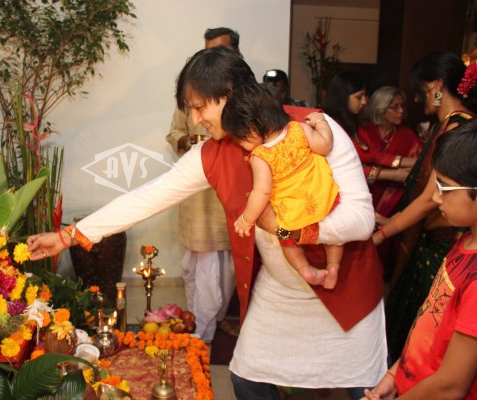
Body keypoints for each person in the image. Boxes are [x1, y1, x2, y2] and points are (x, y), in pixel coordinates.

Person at [27, 46, 386, 400]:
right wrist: (69, 236)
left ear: (229, 95)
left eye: (199, 107)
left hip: (343, 286)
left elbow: (360, 220)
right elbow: (148, 196)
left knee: (364, 390)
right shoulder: (211, 154)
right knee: (247, 379)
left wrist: (286, 229)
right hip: (280, 289)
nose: (196, 119)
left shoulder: (312, 127)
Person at [362, 120, 477, 400]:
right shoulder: (465, 241)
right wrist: (395, 374)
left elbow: (451, 385)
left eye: (444, 188)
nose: (436, 198)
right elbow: (429, 323)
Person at [374, 52, 477, 360]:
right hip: (433, 240)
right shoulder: (444, 124)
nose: (418, 100)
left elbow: (430, 199)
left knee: (426, 330)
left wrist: (381, 235)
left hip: (442, 244)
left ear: (436, 86)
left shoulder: (458, 127)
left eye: (419, 90)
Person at [224, 83, 341, 289]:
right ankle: (333, 266)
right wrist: (320, 121)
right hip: (323, 198)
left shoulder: (261, 156)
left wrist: (246, 219)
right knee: (334, 236)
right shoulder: (299, 129)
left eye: (239, 139)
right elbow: (325, 145)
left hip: (294, 214)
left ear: (252, 128)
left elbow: (262, 191)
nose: (239, 145)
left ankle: (305, 269)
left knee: (286, 241)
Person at [165, 26, 239, 342]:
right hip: (196, 194)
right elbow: (174, 133)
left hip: (227, 197)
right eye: (206, 51)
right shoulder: (191, 90)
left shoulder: (244, 98)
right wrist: (192, 141)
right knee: (194, 268)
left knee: (222, 271)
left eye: (218, 51)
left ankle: (207, 331)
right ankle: (198, 326)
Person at [358, 86, 424, 274]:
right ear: (380, 108)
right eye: (394, 107)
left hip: (394, 204)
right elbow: (363, 162)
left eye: (402, 106)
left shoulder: (407, 136)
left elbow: (421, 168)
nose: (401, 111)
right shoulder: (363, 132)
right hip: (363, 197)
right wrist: (394, 171)